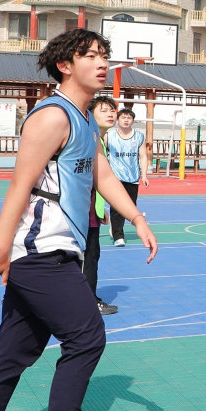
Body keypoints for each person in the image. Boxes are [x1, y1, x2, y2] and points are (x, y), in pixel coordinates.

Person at [0, 29, 157, 411]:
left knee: (12, 352)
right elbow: (19, 184)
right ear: (65, 65)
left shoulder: (85, 120)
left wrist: (137, 218)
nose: (102, 63)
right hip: (40, 252)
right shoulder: (51, 117)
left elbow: (103, 174)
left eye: (105, 56)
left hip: (55, 251)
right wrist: (1, 248)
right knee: (87, 337)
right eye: (91, 56)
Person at [83, 95, 120, 316]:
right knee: (88, 257)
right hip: (80, 209)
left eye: (112, 110)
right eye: (104, 110)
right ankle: (88, 301)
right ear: (90, 114)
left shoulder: (100, 139)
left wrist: (100, 207)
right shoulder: (89, 138)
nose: (110, 114)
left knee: (91, 255)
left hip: (91, 209)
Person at [105, 108, 150, 247]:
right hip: (115, 177)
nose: (126, 120)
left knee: (130, 206)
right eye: (123, 118)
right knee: (117, 207)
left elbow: (143, 156)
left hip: (132, 177)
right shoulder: (109, 136)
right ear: (117, 120)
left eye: (129, 118)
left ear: (132, 121)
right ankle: (118, 236)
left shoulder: (139, 136)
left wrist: (144, 175)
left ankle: (114, 226)